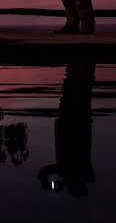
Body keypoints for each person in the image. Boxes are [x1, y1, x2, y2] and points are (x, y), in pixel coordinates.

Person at [37, 62, 96, 197]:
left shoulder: (67, 171)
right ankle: (83, 61)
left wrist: (61, 182)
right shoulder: (77, 172)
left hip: (71, 123)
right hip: (76, 123)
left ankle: (77, 62)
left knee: (74, 87)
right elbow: (42, 172)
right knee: (80, 87)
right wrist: (62, 182)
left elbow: (42, 172)